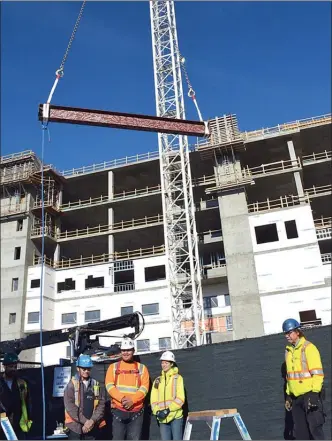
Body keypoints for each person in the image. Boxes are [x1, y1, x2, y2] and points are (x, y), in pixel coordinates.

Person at [282, 318, 325, 440]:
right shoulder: (288, 351)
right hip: (296, 399)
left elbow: (318, 374)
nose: (287, 336)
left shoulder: (309, 348)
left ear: (297, 332)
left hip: (309, 396)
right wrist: (289, 395)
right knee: (301, 434)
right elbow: (289, 377)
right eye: (285, 333)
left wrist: (314, 394)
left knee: (315, 430)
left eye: (289, 332)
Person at [105, 338, 150, 440]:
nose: (126, 353)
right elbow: (109, 385)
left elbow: (144, 388)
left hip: (136, 412)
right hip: (118, 411)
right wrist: (122, 399)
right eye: (124, 350)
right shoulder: (113, 367)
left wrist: (132, 400)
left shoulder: (142, 368)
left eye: (128, 350)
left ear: (133, 351)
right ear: (121, 351)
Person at [64, 354, 106, 440]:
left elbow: (101, 404)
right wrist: (85, 422)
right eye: (84, 369)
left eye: (88, 369)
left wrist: (92, 421)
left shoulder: (95, 384)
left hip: (92, 427)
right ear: (78, 368)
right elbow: (70, 407)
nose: (86, 371)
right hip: (75, 427)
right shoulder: (71, 385)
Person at [150, 351, 185, 440]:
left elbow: (181, 398)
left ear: (172, 364)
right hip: (162, 418)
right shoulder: (157, 380)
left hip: (175, 416)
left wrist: (168, 410)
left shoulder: (178, 378)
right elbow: (153, 399)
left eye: (166, 362)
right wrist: (157, 411)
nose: (163, 365)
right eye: (162, 362)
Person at [0, 352, 32, 440]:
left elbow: (27, 403)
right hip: (2, 425)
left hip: (18, 424)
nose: (13, 369)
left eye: (15, 367)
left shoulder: (21, 383)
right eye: (11, 367)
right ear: (4, 367)